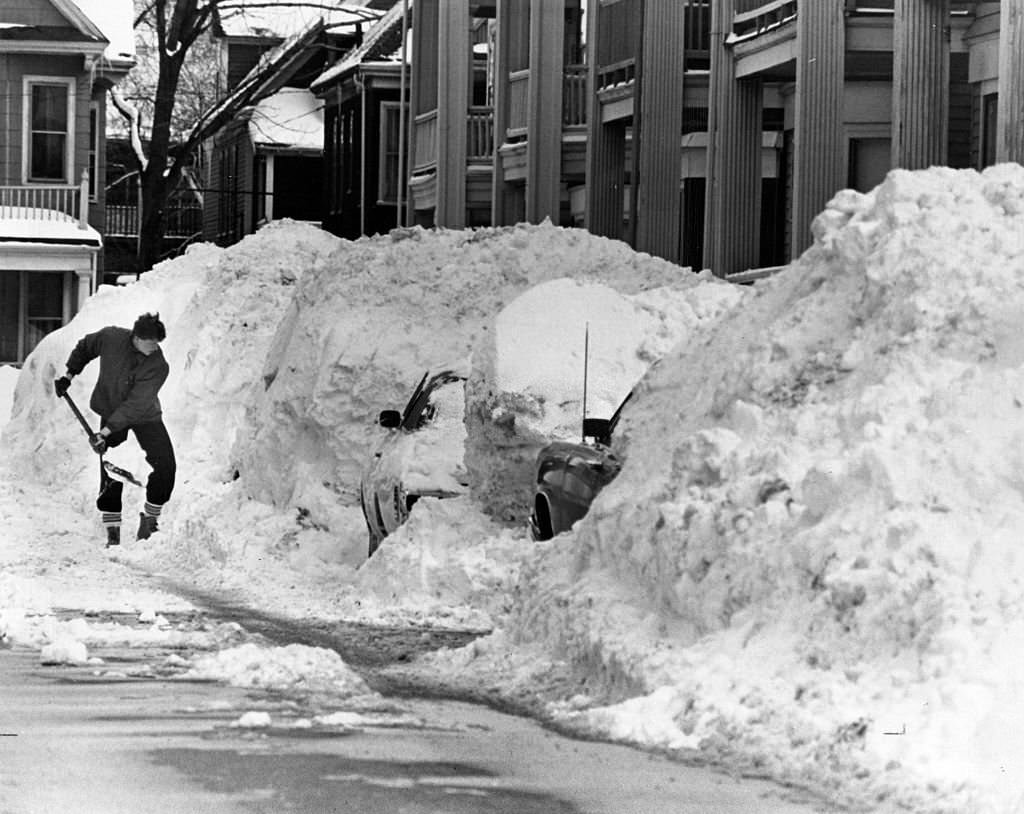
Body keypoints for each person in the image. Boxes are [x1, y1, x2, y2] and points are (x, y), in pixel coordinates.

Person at [54, 313, 175, 547]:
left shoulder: (158, 365)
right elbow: (85, 347)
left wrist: (105, 433)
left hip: (145, 415)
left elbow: (135, 405)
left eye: (157, 344)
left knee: (166, 464)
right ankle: (113, 531)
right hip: (110, 409)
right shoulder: (111, 338)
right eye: (151, 344)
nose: (155, 349)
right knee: (111, 469)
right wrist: (68, 375)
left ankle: (150, 520)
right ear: (137, 337)